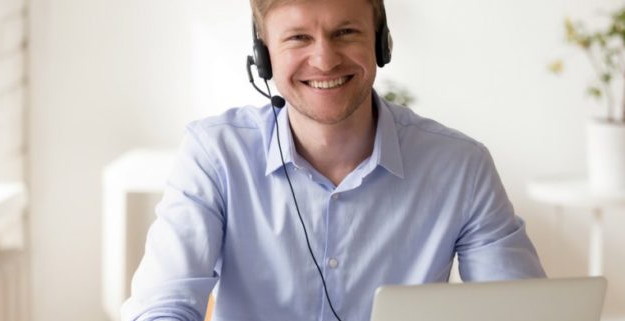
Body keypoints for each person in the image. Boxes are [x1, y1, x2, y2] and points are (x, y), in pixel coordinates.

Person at [122, 0, 545, 320]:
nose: (324, 60)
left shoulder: (460, 167)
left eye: (345, 32)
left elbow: (519, 311)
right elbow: (163, 303)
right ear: (263, 53)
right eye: (298, 37)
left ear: (381, 43)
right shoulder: (214, 155)